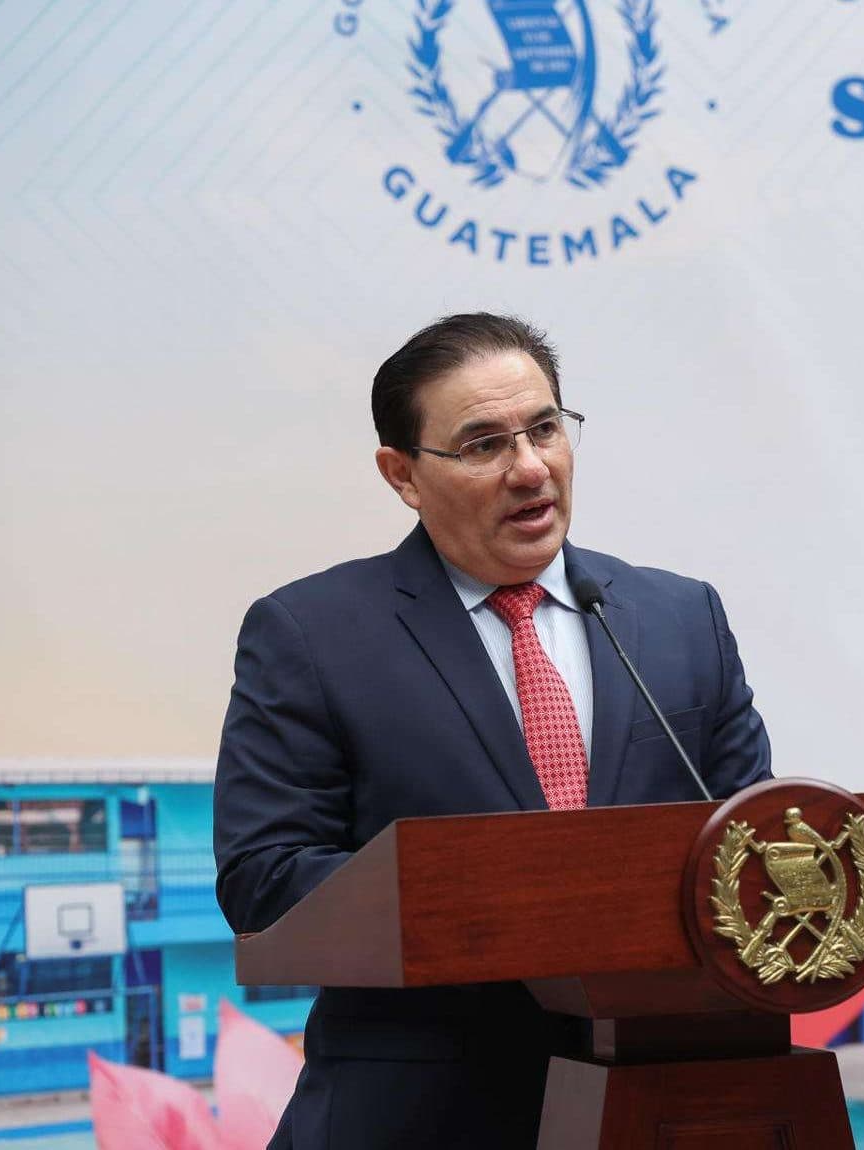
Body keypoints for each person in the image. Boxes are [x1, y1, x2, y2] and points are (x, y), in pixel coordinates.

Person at [214, 313, 772, 1149]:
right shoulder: (312, 634)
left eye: (545, 428)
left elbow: (748, 843)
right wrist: (505, 900)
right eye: (482, 445)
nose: (529, 467)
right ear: (401, 474)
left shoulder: (680, 617)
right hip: (421, 1115)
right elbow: (265, 875)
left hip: (664, 1100)